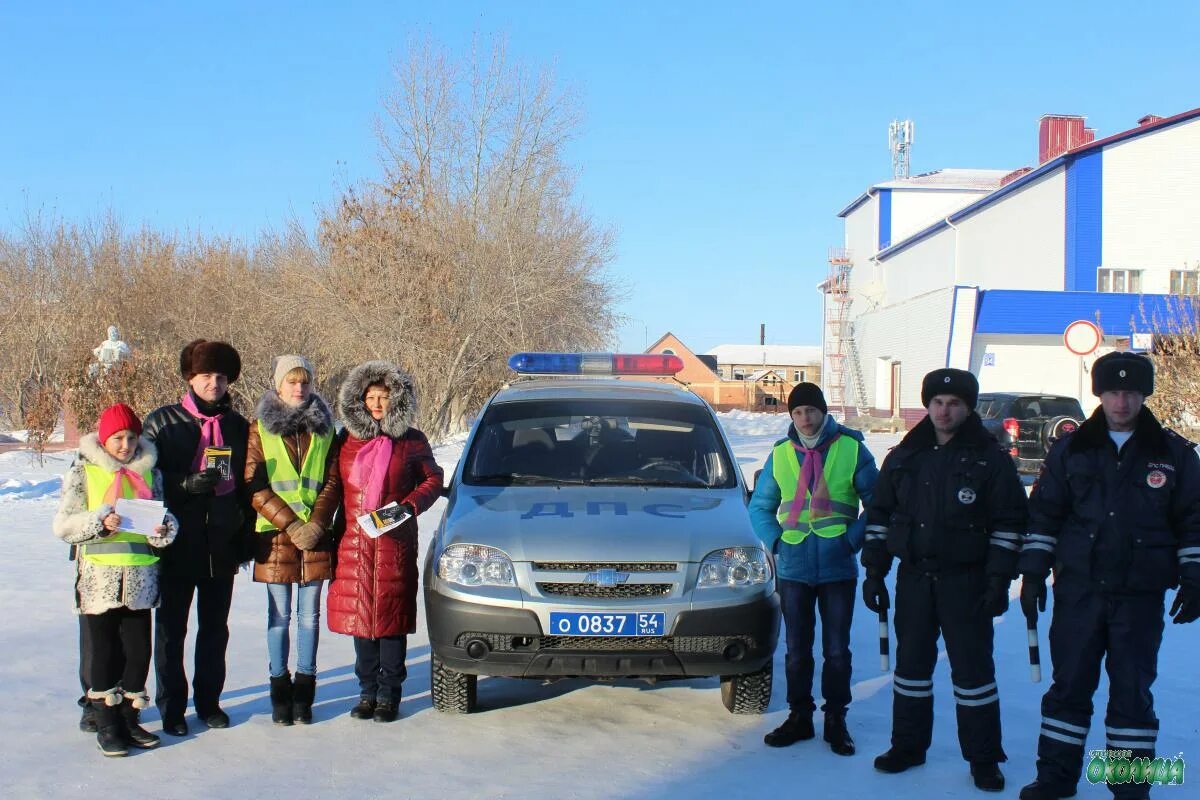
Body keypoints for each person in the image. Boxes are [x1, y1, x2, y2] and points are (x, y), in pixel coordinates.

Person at [1017, 352, 1200, 800]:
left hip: (1139, 595)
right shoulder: (1072, 448)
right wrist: (1034, 573)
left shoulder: (1173, 453)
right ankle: (1056, 779)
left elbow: (1194, 518)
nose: (1122, 401)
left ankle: (1129, 787)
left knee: (1131, 693)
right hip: (1079, 590)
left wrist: (1194, 575)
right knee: (1069, 688)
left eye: (1132, 392)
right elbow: (1045, 514)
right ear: (1099, 394)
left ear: (1144, 395)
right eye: (1114, 391)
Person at [862, 368, 1028, 792]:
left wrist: (997, 581)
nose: (944, 410)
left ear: (968, 408)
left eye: (954, 403)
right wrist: (875, 573)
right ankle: (908, 746)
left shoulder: (989, 459)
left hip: (966, 582)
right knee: (911, 670)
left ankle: (984, 758)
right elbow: (880, 517)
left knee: (973, 675)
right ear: (928, 406)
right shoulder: (904, 456)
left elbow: (1010, 524)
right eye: (937, 402)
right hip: (914, 578)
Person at [749, 382, 878, 755]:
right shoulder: (781, 454)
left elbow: (879, 502)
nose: (805, 419)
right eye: (798, 412)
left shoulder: (851, 449)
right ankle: (800, 717)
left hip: (837, 566)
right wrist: (775, 543)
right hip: (794, 567)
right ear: (791, 416)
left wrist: (850, 541)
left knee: (837, 649)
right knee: (796, 650)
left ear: (823, 411)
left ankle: (836, 718)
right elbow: (760, 507)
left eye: (811, 411)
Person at [53, 403, 178, 756]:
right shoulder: (85, 472)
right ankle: (106, 723)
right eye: (118, 438)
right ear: (104, 439)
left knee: (138, 653)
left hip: (141, 577)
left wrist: (164, 529)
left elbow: (164, 519)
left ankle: (130, 718)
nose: (125, 445)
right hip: (99, 580)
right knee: (103, 653)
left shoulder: (151, 473)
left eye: (131, 437)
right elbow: (63, 525)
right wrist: (98, 521)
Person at [143, 339, 251, 735]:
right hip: (175, 542)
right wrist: (185, 484)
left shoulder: (238, 427)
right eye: (206, 376)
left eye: (221, 377)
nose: (214, 383)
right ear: (191, 378)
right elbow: (145, 481)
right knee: (172, 630)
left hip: (220, 543)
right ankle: (171, 707)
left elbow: (248, 484)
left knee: (214, 629)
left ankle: (209, 702)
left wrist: (243, 535)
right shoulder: (163, 422)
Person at [328, 360, 443, 723]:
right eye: (371, 397)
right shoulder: (345, 441)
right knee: (361, 622)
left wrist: (407, 508)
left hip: (394, 543)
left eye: (384, 397)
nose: (377, 404)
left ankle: (389, 694)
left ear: (396, 401)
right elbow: (332, 488)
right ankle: (366, 692)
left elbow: (432, 480)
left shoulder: (411, 441)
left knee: (391, 622)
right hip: (354, 545)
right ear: (359, 400)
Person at [245, 355, 340, 725]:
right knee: (279, 616)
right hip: (276, 537)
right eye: (291, 382)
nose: (298, 388)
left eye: (304, 382)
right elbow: (255, 485)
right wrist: (291, 525)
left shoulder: (325, 429)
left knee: (310, 618)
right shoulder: (259, 429)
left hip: (314, 536)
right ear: (277, 384)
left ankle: (305, 691)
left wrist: (316, 524)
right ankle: (279, 690)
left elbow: (332, 482)